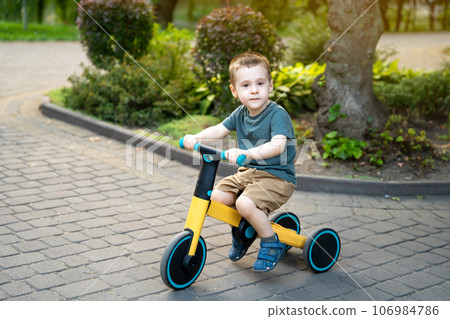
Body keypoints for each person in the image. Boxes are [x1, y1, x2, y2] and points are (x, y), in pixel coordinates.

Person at [182, 51, 297, 272]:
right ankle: (243, 231)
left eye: (260, 83)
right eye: (246, 85)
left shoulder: (277, 115)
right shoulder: (240, 113)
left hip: (277, 178)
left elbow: (278, 146)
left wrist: (249, 153)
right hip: (248, 174)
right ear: (235, 91)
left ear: (270, 86)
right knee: (214, 197)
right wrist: (195, 138)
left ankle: (271, 240)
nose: (254, 90)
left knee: (244, 203)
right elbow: (218, 130)